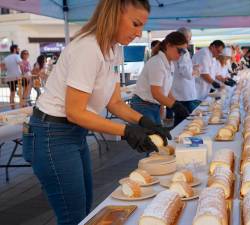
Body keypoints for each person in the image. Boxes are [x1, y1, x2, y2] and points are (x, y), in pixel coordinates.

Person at [22, 1, 171, 224]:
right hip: (52, 135)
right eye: (135, 24)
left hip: (72, 133)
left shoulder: (111, 49)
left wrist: (144, 122)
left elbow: (115, 103)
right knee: (74, 217)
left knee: (84, 210)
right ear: (113, 14)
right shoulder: (88, 48)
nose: (139, 33)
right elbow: (75, 112)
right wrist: (127, 131)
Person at [131, 31, 190, 125]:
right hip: (143, 105)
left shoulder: (170, 64)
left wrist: (177, 104)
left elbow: (167, 90)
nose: (181, 54)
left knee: (157, 135)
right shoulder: (157, 62)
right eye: (180, 50)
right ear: (168, 45)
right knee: (152, 137)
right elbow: (156, 93)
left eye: (184, 52)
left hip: (153, 105)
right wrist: (174, 106)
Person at [170, 27, 198, 126]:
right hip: (184, 93)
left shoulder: (178, 51)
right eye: (189, 38)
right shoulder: (183, 52)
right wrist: (194, 71)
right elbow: (185, 72)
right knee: (187, 121)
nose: (190, 40)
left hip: (180, 91)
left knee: (180, 119)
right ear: (185, 37)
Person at [2, 44, 23, 109]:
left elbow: (2, 67)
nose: (19, 49)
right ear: (14, 49)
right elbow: (21, 64)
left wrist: (9, 68)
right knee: (20, 91)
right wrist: (23, 73)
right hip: (17, 77)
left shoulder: (6, 58)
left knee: (12, 92)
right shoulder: (16, 56)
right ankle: (21, 105)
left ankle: (12, 107)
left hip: (9, 77)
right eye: (18, 48)